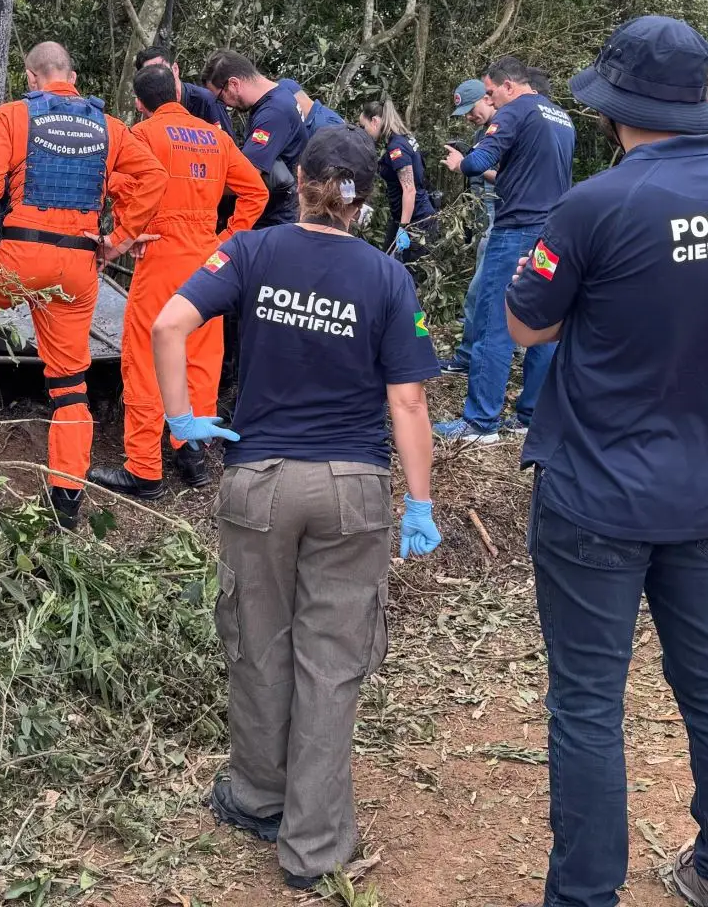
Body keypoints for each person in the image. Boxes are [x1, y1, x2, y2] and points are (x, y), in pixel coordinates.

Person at [506, 15, 708, 907]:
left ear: (616, 107)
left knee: (588, 702)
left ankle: (585, 895)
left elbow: (526, 322)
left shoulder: (597, 204)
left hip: (596, 494)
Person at [150, 127, 441, 892]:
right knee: (331, 661)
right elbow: (407, 400)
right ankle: (314, 846)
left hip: (260, 483)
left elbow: (168, 324)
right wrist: (420, 502)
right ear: (364, 199)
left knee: (256, 639)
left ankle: (256, 796)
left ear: (299, 180)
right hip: (351, 488)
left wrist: (182, 417)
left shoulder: (251, 251)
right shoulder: (387, 277)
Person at [0, 42, 167, 529]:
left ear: (32, 77)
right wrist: (117, 241)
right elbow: (154, 177)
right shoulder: (110, 127)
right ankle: (66, 502)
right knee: (68, 384)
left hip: (20, 255)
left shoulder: (14, 115)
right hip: (79, 265)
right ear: (73, 76)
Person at [87, 64, 268, 500]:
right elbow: (256, 193)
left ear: (139, 103)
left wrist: (127, 233)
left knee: (146, 358)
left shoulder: (142, 136)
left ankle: (144, 470)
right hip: (206, 263)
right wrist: (223, 242)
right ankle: (192, 453)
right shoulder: (216, 136)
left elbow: (117, 186)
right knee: (201, 359)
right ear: (179, 91)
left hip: (161, 257)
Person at [435, 58, 574, 443]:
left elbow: (479, 160)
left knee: (494, 322)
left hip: (515, 230)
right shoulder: (560, 116)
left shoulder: (516, 110)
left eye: (492, 92)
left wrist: (461, 161)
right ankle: (530, 415)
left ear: (509, 86)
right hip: (553, 232)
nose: (491, 101)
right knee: (542, 325)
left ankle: (481, 422)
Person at [202, 50, 309, 227]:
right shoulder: (281, 93)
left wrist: (199, 186)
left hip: (274, 216)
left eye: (221, 98)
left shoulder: (273, 113)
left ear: (234, 84)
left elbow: (246, 175)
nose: (225, 105)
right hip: (278, 207)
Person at [441, 78, 496, 374]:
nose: (470, 117)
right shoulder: (481, 132)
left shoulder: (505, 131)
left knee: (479, 292)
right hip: (483, 216)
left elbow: (507, 178)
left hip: (501, 219)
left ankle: (468, 358)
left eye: (471, 110)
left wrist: (467, 162)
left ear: (487, 98)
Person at [358, 97, 438, 267]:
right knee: (386, 264)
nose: (364, 132)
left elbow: (409, 189)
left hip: (416, 221)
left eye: (364, 127)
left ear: (375, 121)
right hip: (403, 217)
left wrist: (404, 228)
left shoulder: (397, 148)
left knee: (407, 274)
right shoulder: (403, 139)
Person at [134, 43, 233, 135]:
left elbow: (228, 143)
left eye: (162, 69)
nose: (158, 76)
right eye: (150, 74)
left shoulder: (206, 100)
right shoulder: (148, 103)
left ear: (175, 69)